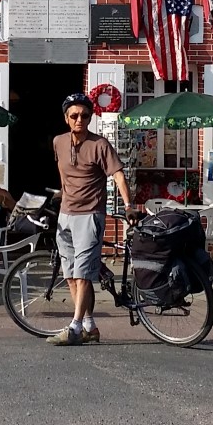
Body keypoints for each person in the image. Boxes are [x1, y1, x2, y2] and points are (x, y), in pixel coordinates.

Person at [47, 92, 138, 346]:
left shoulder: (100, 145)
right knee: (71, 274)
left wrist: (129, 205)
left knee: (84, 273)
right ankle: (89, 325)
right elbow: (63, 171)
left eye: (85, 115)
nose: (80, 120)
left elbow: (118, 175)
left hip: (89, 215)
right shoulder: (59, 142)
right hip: (65, 214)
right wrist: (62, 193)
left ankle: (74, 328)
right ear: (66, 118)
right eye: (74, 116)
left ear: (91, 117)